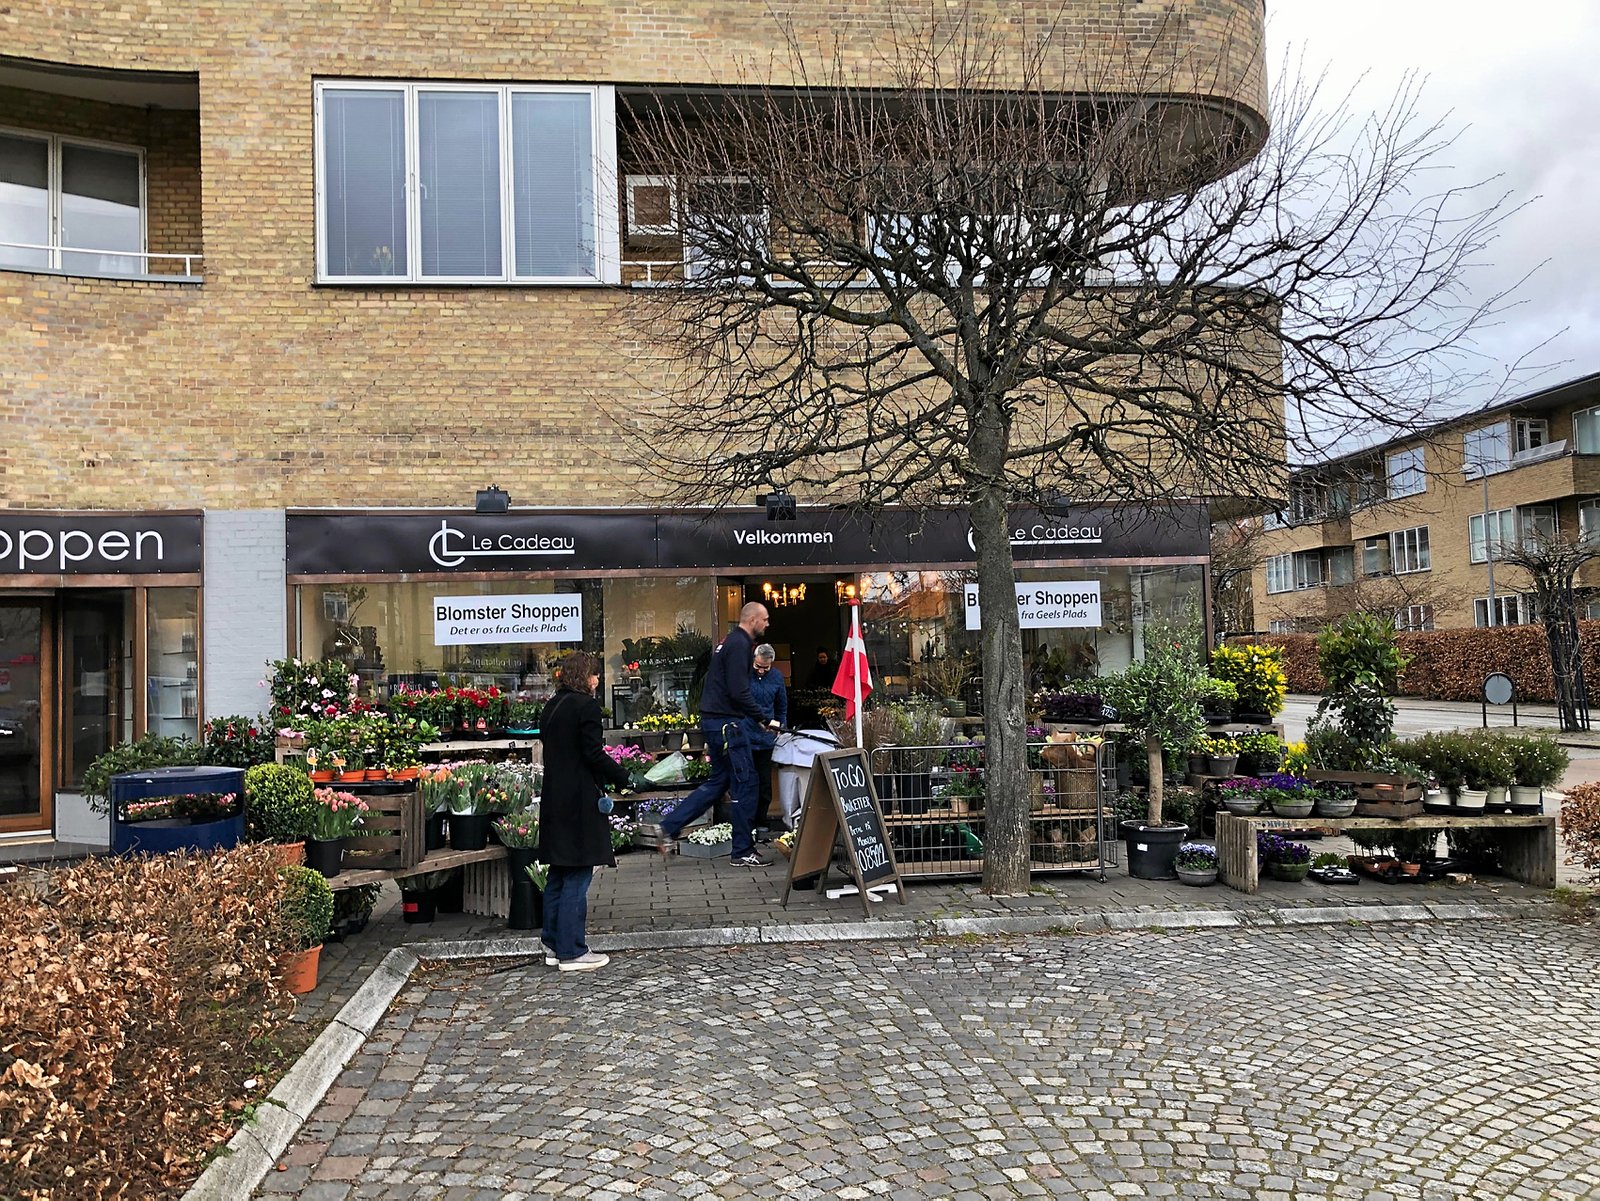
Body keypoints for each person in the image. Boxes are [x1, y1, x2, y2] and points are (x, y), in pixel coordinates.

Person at [657, 602, 779, 866]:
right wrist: (762, 718)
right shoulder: (740, 645)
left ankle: (669, 825)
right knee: (747, 784)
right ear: (753, 619)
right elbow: (739, 691)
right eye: (765, 619)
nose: (767, 624)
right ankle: (742, 851)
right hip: (728, 726)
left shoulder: (730, 643)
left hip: (715, 723)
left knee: (718, 783)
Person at [537, 651, 637, 973]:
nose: (597, 680)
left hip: (555, 797)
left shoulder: (552, 706)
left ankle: (553, 945)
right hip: (579, 800)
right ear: (585, 677)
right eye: (594, 674)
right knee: (578, 874)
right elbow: (593, 754)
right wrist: (625, 777)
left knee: (558, 873)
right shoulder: (586, 707)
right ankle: (572, 951)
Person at [748, 643, 789, 834]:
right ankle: (746, 823)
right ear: (753, 660)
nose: (761, 671)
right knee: (747, 782)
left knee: (765, 783)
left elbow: (781, 706)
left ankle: (761, 821)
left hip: (766, 738)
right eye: (758, 666)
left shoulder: (777, 677)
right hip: (746, 735)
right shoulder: (743, 675)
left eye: (766, 667)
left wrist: (781, 727)